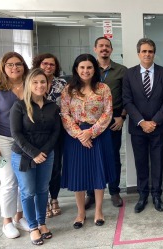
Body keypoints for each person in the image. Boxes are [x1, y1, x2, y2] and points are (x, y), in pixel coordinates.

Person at [60, 53, 115, 228]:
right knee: (79, 175)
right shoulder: (68, 89)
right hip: (75, 138)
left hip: (98, 135)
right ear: (76, 69)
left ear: (95, 69)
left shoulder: (103, 88)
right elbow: (64, 114)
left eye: (89, 67)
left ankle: (99, 210)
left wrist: (91, 132)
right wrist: (79, 134)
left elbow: (108, 112)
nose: (86, 70)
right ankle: (80, 212)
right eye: (82, 67)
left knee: (99, 173)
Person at [0, 51, 30, 239]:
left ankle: (19, 217)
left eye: (18, 64)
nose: (14, 67)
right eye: (9, 64)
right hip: (1, 140)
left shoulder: (29, 85)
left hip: (24, 141)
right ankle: (7, 222)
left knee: (22, 181)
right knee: (9, 182)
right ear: (3, 67)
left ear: (23, 66)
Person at [10, 68, 60, 245]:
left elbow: (55, 132)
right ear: (29, 84)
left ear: (47, 85)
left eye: (43, 82)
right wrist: (34, 154)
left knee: (42, 190)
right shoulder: (19, 106)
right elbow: (16, 134)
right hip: (23, 155)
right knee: (28, 191)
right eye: (36, 82)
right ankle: (32, 227)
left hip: (46, 155)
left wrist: (44, 153)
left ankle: (42, 223)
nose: (39, 85)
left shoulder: (52, 106)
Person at [123, 38, 163, 213]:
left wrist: (155, 121)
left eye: (150, 51)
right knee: (141, 162)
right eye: (144, 51)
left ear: (154, 53)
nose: (147, 54)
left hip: (157, 127)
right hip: (138, 128)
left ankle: (157, 195)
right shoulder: (129, 74)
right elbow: (127, 101)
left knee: (158, 162)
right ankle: (142, 195)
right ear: (138, 54)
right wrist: (142, 122)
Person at [85, 37, 128, 209]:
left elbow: (127, 96)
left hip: (114, 119)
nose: (104, 49)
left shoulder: (121, 70)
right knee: (91, 157)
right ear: (95, 48)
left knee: (112, 156)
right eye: (101, 46)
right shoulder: (88, 69)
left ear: (111, 49)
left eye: (107, 46)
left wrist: (122, 116)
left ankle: (115, 191)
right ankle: (91, 193)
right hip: (90, 120)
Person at [32, 53, 67, 218]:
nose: (48, 67)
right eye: (45, 63)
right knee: (39, 167)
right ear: (38, 65)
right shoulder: (31, 83)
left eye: (52, 64)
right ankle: (43, 201)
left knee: (55, 167)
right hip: (36, 132)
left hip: (58, 131)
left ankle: (54, 198)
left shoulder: (62, 83)